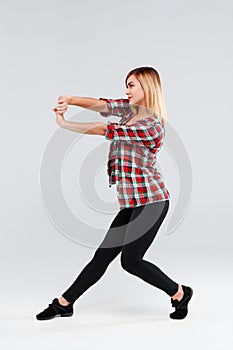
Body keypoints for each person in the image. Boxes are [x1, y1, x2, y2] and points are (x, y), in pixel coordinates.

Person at [36, 66, 193, 321]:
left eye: (131, 85)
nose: (127, 90)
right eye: (126, 85)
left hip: (152, 202)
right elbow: (103, 105)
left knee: (131, 262)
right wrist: (70, 99)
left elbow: (104, 129)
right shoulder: (130, 112)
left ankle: (179, 293)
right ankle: (64, 304)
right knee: (102, 257)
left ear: (147, 87)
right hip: (131, 203)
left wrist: (65, 123)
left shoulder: (152, 125)